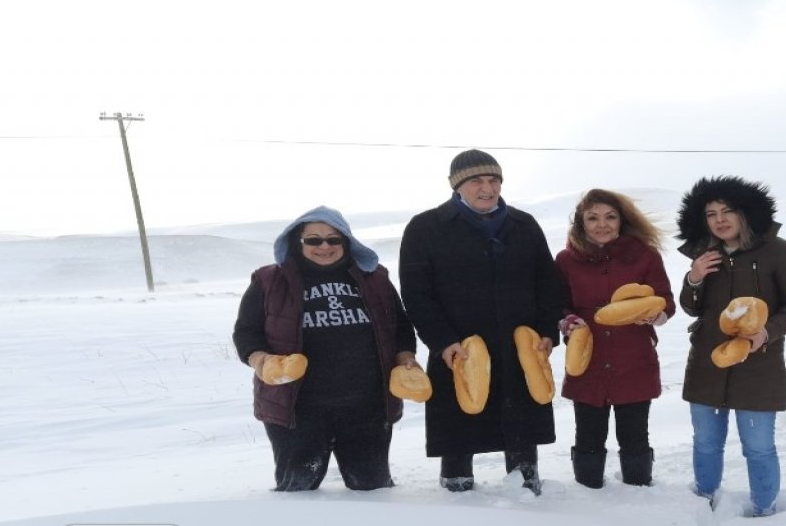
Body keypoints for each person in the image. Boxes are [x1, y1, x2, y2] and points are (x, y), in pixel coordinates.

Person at [398, 149, 564, 495]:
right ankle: (456, 486)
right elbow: (417, 294)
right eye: (476, 181)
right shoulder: (425, 228)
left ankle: (525, 482)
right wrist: (442, 341)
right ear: (456, 185)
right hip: (459, 346)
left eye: (494, 180)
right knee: (459, 421)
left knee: (521, 420)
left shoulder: (523, 225)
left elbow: (547, 283)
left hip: (518, 345)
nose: (487, 188)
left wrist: (547, 331)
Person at [232, 205, 420, 492]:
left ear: (347, 242)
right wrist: (262, 360)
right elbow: (246, 332)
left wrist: (406, 359)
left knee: (373, 489)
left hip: (367, 406)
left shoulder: (374, 278)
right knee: (298, 490)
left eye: (334, 239)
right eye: (313, 240)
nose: (324, 246)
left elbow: (401, 327)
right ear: (297, 242)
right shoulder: (269, 281)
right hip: (298, 408)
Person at [676, 176, 786, 517]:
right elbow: (691, 307)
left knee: (759, 447)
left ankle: (765, 510)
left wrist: (767, 333)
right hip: (708, 363)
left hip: (759, 364)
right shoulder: (705, 254)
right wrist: (694, 277)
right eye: (711, 214)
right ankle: (705, 501)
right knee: (706, 442)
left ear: (745, 213)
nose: (719, 220)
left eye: (728, 211)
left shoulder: (778, 251)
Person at [555, 189, 675, 489]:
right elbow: (557, 304)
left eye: (610, 217)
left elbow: (665, 302)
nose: (602, 225)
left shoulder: (646, 256)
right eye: (592, 218)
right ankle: (587, 491)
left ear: (622, 220)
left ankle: (638, 490)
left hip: (633, 356)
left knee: (634, 434)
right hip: (588, 356)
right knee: (588, 434)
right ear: (580, 223)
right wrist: (568, 321)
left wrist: (655, 315)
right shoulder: (566, 260)